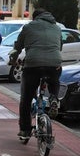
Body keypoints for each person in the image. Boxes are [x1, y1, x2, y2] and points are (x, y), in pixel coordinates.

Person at [8, 8, 62, 139]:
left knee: (25, 99)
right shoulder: (57, 28)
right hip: (54, 63)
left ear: (34, 18)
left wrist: (13, 61)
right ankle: (54, 98)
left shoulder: (28, 27)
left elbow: (17, 47)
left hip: (33, 64)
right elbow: (59, 47)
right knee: (54, 80)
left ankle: (25, 130)